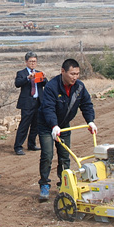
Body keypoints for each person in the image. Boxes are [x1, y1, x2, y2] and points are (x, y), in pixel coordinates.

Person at [37, 58, 96, 201]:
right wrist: (53, 125)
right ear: (62, 71)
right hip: (47, 125)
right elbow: (48, 108)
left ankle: (63, 183)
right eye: (72, 74)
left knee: (65, 155)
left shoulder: (79, 87)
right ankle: (44, 184)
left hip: (64, 124)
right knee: (47, 155)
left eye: (77, 74)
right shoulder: (52, 87)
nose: (75, 77)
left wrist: (90, 121)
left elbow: (86, 105)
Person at [13, 52, 46, 155]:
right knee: (24, 125)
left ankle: (31, 144)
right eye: (31, 61)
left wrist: (44, 78)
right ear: (26, 62)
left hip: (38, 101)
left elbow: (46, 84)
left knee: (36, 125)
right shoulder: (21, 73)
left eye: (34, 61)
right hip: (27, 102)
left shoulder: (38, 73)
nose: (33, 63)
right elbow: (17, 84)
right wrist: (28, 78)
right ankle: (18, 146)